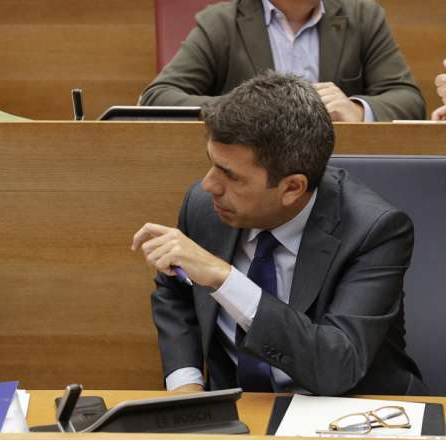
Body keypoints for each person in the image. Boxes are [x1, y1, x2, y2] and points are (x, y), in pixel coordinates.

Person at [132, 71, 426, 396]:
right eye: (212, 163)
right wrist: (185, 385)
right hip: (242, 411)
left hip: (355, 414)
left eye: (230, 175)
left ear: (292, 188)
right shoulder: (205, 206)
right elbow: (176, 293)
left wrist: (225, 280)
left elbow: (337, 366)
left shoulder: (374, 231)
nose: (209, 184)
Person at [141, 0, 425, 122]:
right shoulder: (222, 22)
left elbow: (409, 100)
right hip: (252, 175)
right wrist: (249, 109)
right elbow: (158, 97)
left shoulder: (363, 16)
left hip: (341, 169)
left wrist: (358, 110)